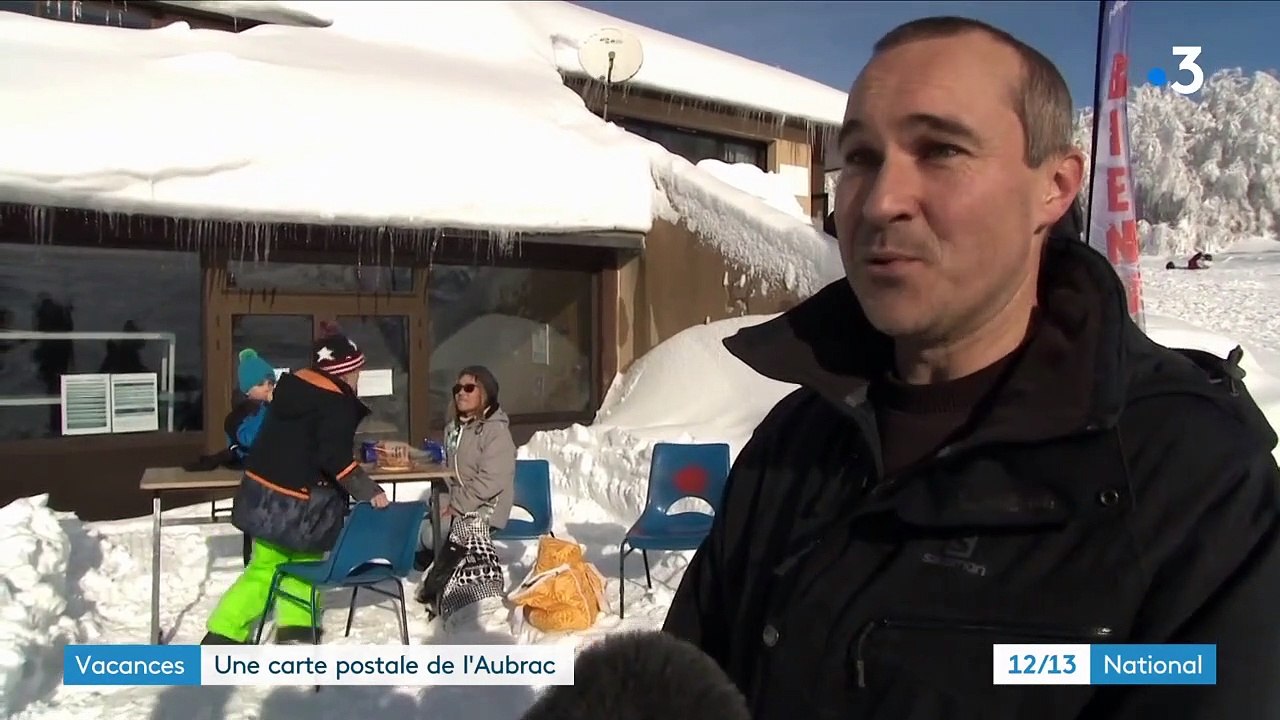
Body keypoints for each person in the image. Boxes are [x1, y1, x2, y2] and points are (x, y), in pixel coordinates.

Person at [663, 16, 1280, 719]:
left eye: (941, 149)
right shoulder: (795, 443)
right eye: (861, 158)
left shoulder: (1189, 477)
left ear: (1054, 186)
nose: (882, 200)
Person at [203, 322, 390, 645]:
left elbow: (304, 440)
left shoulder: (292, 390)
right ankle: (284, 629)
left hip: (262, 493)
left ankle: (233, 630)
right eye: (357, 370)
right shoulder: (337, 403)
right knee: (300, 564)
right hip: (302, 503)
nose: (359, 376)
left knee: (266, 567)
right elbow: (333, 457)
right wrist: (369, 490)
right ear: (345, 372)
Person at [413, 365, 516, 617]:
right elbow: (451, 473)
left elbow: (491, 481)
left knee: (435, 534)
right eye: (457, 388)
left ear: (486, 393)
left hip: (485, 508)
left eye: (469, 388)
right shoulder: (454, 428)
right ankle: (435, 573)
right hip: (458, 502)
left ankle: (440, 591)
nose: (461, 393)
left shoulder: (496, 432)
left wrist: (457, 507)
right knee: (417, 531)